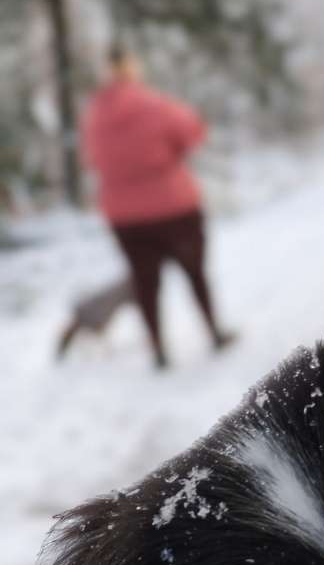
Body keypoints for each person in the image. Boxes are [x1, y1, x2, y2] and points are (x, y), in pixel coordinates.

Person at [82, 45, 233, 368]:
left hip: (123, 215)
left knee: (145, 282)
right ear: (132, 69)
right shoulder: (154, 104)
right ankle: (214, 332)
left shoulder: (94, 115)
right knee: (194, 272)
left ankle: (158, 350)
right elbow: (193, 132)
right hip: (174, 207)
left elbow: (91, 158)